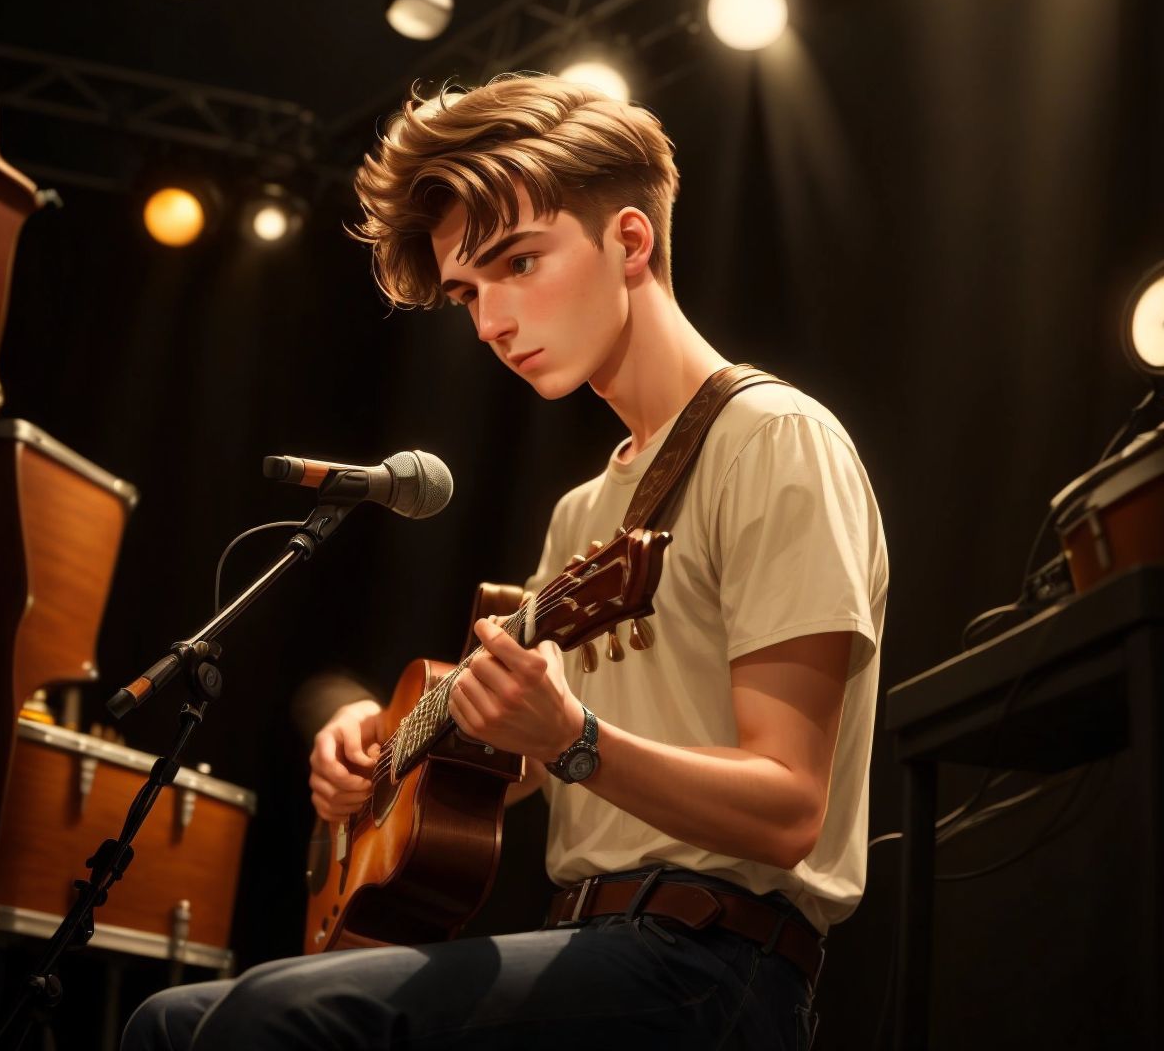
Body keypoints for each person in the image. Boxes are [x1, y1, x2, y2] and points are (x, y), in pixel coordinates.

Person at [122, 74, 888, 1050]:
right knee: (170, 1021)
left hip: (715, 971)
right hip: (593, 945)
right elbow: (515, 762)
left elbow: (788, 808)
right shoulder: (585, 510)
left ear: (630, 240)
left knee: (278, 1017)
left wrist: (574, 739)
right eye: (469, 292)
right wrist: (386, 749)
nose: (489, 323)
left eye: (520, 264)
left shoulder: (774, 439)